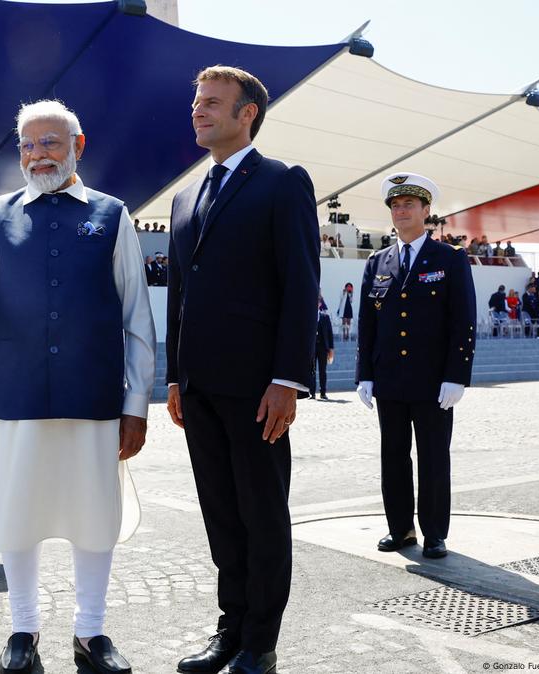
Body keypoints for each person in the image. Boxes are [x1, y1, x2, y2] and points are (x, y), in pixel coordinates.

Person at [0, 100, 155, 674]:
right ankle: (23, 629)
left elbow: (137, 316)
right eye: (27, 145)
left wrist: (136, 403)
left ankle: (91, 633)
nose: (36, 155)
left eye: (49, 143)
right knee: (16, 515)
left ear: (77, 145)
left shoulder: (113, 215)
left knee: (96, 517)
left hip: (92, 395)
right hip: (14, 394)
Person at [166, 66, 319, 674]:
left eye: (212, 103)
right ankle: (229, 630)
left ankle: (260, 641)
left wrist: (288, 377)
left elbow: (300, 284)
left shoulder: (282, 183)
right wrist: (177, 376)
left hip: (259, 388)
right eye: (197, 101)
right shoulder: (185, 195)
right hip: (200, 386)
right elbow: (181, 292)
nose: (199, 111)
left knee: (261, 512)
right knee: (221, 514)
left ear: (246, 113)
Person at [355, 173, 475, 560]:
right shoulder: (378, 262)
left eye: (409, 204)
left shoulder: (450, 258)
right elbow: (367, 323)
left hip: (432, 380)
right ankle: (400, 528)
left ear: (427, 211)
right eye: (395, 205)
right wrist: (365, 375)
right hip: (389, 378)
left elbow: (463, 319)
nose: (401, 210)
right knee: (393, 456)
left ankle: (435, 532)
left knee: (434, 457)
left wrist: (456, 375)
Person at [312, 300, 334, 400]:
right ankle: (312, 393)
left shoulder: (325, 317)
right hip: (312, 347)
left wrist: (331, 348)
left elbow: (330, 334)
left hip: (322, 347)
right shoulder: (308, 316)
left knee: (322, 371)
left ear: (319, 304)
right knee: (312, 370)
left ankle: (323, 392)